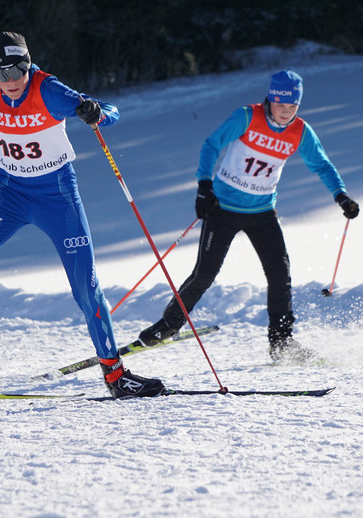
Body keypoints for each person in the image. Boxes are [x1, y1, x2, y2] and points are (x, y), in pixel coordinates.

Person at [0, 31, 165, 398]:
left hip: (57, 198)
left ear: (29, 66)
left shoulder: (48, 90)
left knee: (85, 286)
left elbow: (111, 112)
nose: (12, 81)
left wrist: (95, 112)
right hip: (9, 194)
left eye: (19, 70)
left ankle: (115, 375)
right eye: (3, 73)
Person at [137, 70, 359, 362]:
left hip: (263, 213)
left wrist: (340, 195)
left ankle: (281, 342)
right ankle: (169, 324)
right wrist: (204, 186)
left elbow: (322, 164)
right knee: (205, 273)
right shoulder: (246, 117)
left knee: (280, 275)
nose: (286, 113)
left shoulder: (300, 131)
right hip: (223, 210)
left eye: (293, 107)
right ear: (271, 99)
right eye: (281, 106)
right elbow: (211, 145)